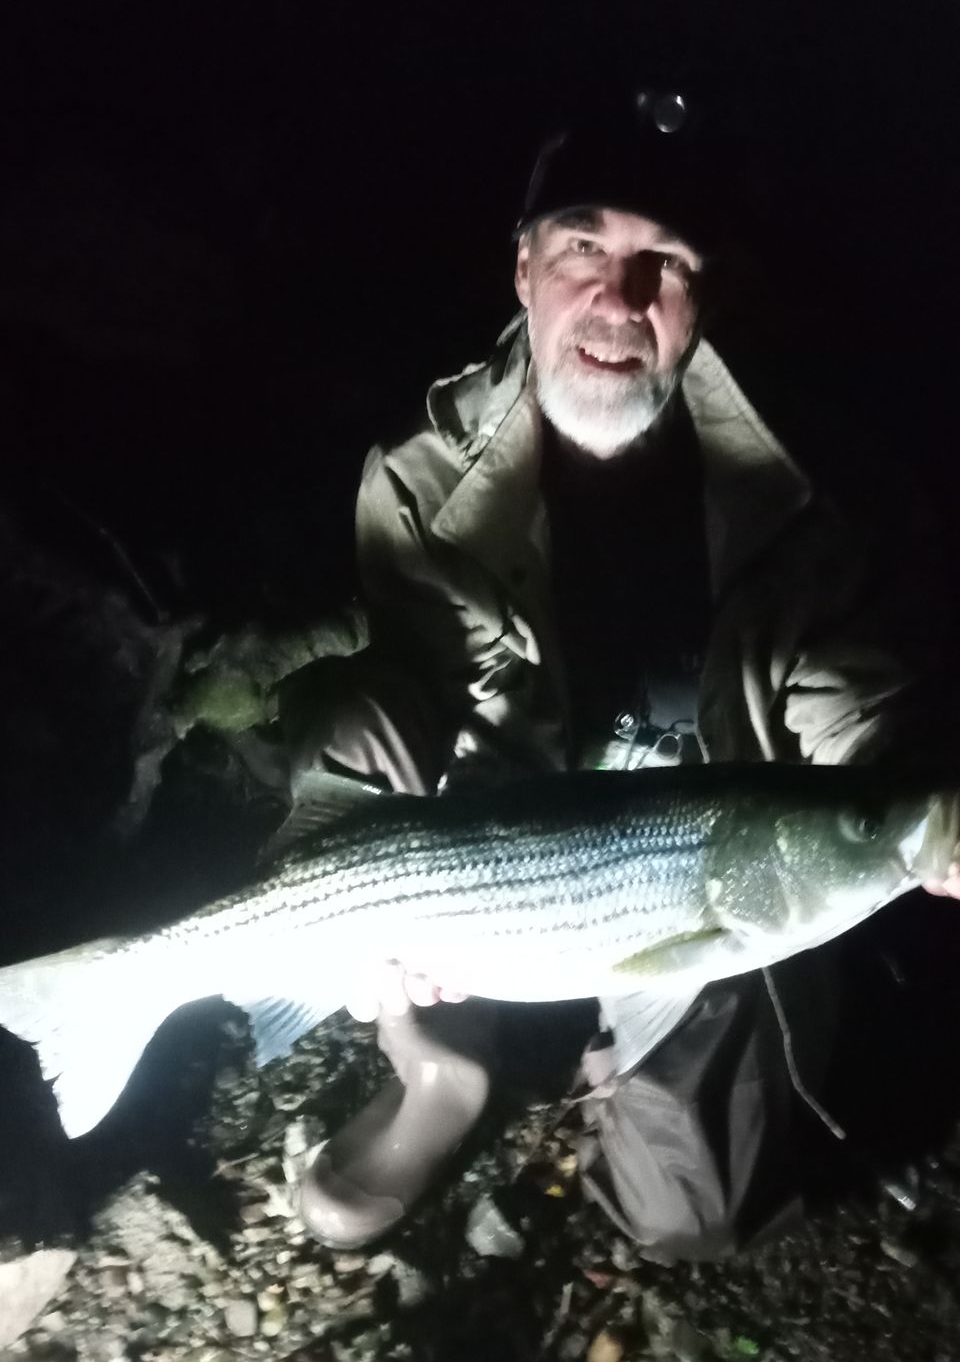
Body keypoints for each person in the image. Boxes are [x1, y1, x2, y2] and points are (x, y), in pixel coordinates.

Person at [285, 93, 956, 1260]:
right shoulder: (420, 475)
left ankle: (592, 1071)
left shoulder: (800, 492)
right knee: (354, 735)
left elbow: (856, 702)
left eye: (665, 262)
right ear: (525, 271)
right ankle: (442, 1068)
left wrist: (922, 804)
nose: (618, 296)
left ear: (709, 295)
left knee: (697, 1220)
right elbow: (410, 679)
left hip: (691, 873)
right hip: (496, 858)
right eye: (584, 246)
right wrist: (332, 831)